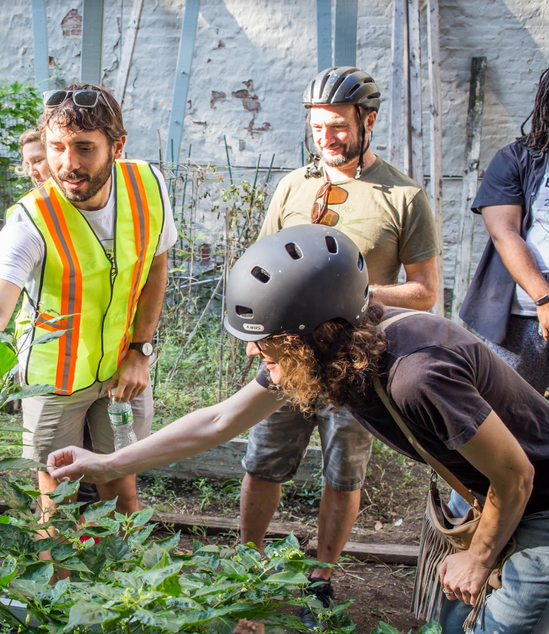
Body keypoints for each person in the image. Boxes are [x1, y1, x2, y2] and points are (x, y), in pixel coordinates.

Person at [49, 224, 549, 634]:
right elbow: (220, 420)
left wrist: (480, 557)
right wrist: (107, 463)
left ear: (313, 336)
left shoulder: (416, 376)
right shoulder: (338, 351)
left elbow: (518, 477)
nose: (252, 353)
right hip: (484, 488)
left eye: (263, 342)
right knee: (450, 620)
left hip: (535, 500)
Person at [242, 66, 440, 625]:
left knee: (342, 470)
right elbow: (262, 266)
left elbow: (425, 291)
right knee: (262, 461)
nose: (325, 138)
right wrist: (260, 332)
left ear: (367, 121)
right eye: (317, 127)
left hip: (356, 361)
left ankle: (321, 577)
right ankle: (247, 561)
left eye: (336, 127)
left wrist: (346, 288)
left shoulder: (403, 196)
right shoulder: (292, 186)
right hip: (287, 356)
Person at [0, 84, 177, 528]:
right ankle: (59, 594)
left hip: (122, 369)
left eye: (85, 148)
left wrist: (140, 351)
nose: (68, 164)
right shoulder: (30, 220)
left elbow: (155, 270)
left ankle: (126, 590)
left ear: (117, 146)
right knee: (58, 503)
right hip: (52, 378)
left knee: (122, 490)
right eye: (57, 148)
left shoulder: (148, 185)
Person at [461, 66, 549, 395]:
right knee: (508, 412)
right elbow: (504, 233)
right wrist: (545, 299)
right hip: (522, 316)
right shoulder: (515, 159)